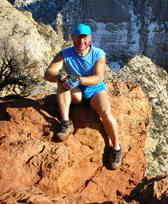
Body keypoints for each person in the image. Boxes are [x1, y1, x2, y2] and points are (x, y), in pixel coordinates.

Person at [44, 23, 122, 170]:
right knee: (62, 83)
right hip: (76, 92)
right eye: (78, 38)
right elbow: (48, 74)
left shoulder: (99, 54)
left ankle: (116, 148)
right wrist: (61, 76)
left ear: (90, 38)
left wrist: (78, 79)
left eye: (84, 38)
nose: (81, 42)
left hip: (95, 90)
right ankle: (66, 123)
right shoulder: (65, 54)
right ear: (72, 38)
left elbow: (98, 78)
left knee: (106, 113)